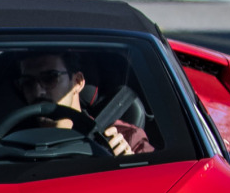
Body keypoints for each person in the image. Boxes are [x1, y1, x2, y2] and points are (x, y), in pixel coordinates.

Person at [11, 50, 151, 156]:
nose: (38, 92)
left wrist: (130, 166)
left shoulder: (125, 138)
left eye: (49, 78)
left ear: (77, 82)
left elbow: (161, 186)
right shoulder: (10, 142)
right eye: (27, 82)